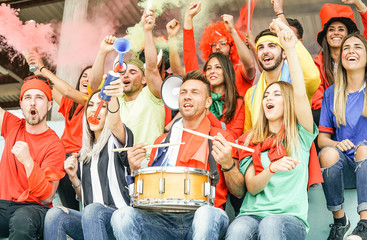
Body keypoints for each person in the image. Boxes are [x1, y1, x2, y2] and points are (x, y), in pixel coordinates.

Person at [111, 70, 239, 239]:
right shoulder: (162, 142)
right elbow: (147, 194)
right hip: (163, 218)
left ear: (208, 102)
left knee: (205, 215)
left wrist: (228, 164)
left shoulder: (221, 138)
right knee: (122, 215)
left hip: (206, 215)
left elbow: (238, 191)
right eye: (183, 93)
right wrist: (135, 170)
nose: (187, 97)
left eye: (195, 93)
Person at [225, 18, 318, 240]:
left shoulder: (299, 134)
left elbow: (300, 91)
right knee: (236, 229)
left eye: (277, 94)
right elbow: (252, 187)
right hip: (252, 214)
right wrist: (272, 168)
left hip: (287, 218)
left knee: (270, 224)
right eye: (267, 94)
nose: (269, 97)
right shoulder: (250, 140)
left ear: (288, 102)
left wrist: (290, 49)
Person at [43, 79, 134, 240]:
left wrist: (111, 96)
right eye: (90, 105)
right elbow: (86, 198)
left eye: (102, 106)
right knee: (54, 214)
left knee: (92, 211)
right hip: (91, 222)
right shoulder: (84, 153)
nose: (94, 110)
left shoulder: (117, 138)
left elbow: (115, 123)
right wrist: (74, 178)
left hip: (118, 221)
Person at [318, 33, 367, 240]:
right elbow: (322, 139)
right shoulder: (331, 93)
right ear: (340, 58)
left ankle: (366, 224)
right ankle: (340, 223)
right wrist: (337, 143)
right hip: (349, 168)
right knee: (327, 153)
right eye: (346, 48)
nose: (350, 51)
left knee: (364, 149)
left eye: (357, 47)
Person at [89, 10, 164, 153]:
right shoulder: (116, 99)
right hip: (120, 166)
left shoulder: (151, 95)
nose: (125, 75)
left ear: (144, 79)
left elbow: (152, 68)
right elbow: (93, 87)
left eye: (133, 72)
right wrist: (102, 52)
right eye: (123, 72)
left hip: (149, 164)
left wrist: (147, 31)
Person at [0, 75, 65, 239]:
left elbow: (48, 197)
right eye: (27, 97)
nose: (33, 102)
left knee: (22, 220)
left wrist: (28, 162)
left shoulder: (54, 145)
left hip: (34, 208)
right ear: (21, 103)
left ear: (50, 105)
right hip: (4, 204)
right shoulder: (13, 125)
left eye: (39, 97)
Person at [28, 53, 92, 210]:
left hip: (84, 158)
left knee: (89, 207)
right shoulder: (72, 105)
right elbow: (48, 85)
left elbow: (68, 91)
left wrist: (43, 67)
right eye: (84, 76)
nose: (86, 79)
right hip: (63, 159)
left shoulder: (95, 102)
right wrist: (35, 65)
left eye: (91, 77)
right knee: (69, 209)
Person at [312, 1, 367, 127]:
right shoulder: (317, 64)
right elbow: (318, 102)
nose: (336, 33)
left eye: (341, 29)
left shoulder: (360, 55)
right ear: (326, 35)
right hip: (333, 121)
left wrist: (359, 4)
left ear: (348, 34)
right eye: (331, 29)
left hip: (365, 115)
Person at [183, 1, 256, 97]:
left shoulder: (239, 72)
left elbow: (250, 66)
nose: (217, 47)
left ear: (232, 47)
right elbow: (190, 61)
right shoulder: (207, 76)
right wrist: (188, 18)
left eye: (222, 43)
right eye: (213, 44)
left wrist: (232, 31)